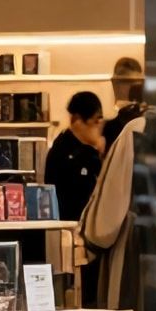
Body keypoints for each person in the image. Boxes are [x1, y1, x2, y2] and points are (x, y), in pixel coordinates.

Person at [45, 91, 105, 221]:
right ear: (77, 120)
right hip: (70, 228)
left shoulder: (89, 152)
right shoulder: (63, 152)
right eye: (95, 121)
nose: (99, 127)